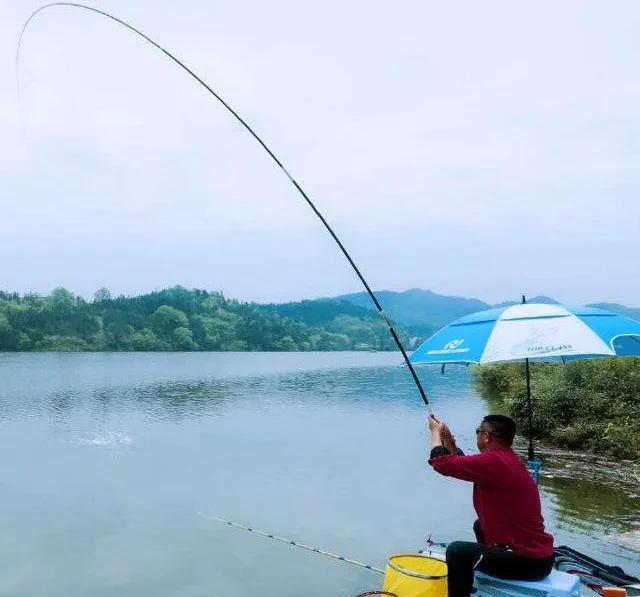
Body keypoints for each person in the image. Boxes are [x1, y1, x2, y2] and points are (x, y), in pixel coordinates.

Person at [428, 414, 554, 597]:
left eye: (478, 432)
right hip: (539, 558)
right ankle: (487, 568)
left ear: (486, 436)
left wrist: (434, 433)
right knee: (479, 525)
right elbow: (462, 464)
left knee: (457, 551)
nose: (477, 435)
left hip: (529, 564)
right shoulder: (506, 459)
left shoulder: (494, 462)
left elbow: (441, 463)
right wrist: (447, 439)